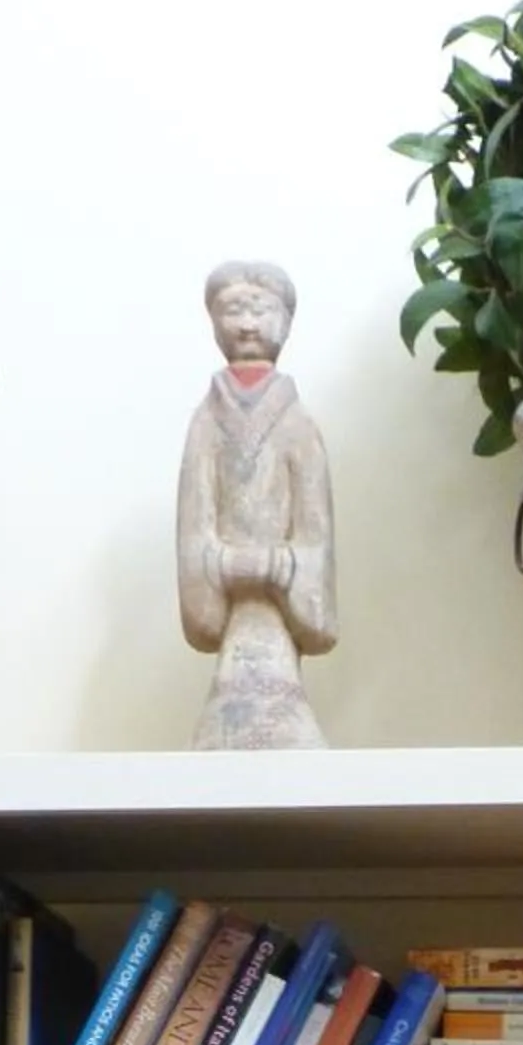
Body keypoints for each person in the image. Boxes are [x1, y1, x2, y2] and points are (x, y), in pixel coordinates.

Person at [177, 261, 337, 748]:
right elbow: (193, 526)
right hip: (234, 622)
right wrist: (219, 562)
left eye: (260, 309)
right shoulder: (205, 423)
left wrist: (280, 565)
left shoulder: (299, 424)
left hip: (277, 622)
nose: (247, 324)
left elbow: (317, 535)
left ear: (285, 320)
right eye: (232, 310)